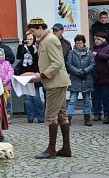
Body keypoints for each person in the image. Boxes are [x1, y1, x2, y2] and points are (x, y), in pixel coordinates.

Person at [27, 17, 71, 159]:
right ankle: (66, 148)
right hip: (56, 82)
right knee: (61, 115)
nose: (33, 34)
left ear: (40, 28)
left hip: (55, 83)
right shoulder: (44, 39)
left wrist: (42, 76)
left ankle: (51, 150)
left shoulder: (50, 39)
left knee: (51, 115)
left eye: (33, 31)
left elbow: (57, 63)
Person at [66, 35, 95, 126]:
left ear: (84, 43)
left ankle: (87, 119)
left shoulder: (89, 53)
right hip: (75, 79)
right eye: (77, 43)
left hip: (86, 79)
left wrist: (85, 71)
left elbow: (92, 64)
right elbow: (69, 64)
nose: (78, 44)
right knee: (72, 100)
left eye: (80, 42)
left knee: (86, 101)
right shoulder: (71, 53)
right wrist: (78, 72)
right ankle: (68, 119)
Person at [15, 32, 45, 123]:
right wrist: (20, 46)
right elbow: (19, 56)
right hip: (25, 74)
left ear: (34, 40)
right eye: (27, 39)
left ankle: (40, 117)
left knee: (36, 97)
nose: (28, 41)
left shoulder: (36, 48)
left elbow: (36, 58)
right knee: (28, 98)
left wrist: (30, 47)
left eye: (30, 39)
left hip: (33, 73)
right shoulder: (23, 47)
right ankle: (30, 117)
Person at [90, 32, 109, 121]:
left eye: (98, 39)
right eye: (95, 39)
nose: (96, 41)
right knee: (95, 97)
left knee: (105, 97)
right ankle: (97, 114)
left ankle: (107, 114)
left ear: (103, 40)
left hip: (105, 76)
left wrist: (97, 55)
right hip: (94, 76)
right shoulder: (91, 49)